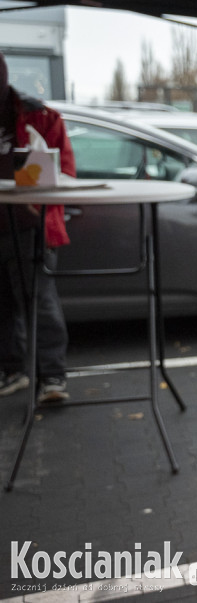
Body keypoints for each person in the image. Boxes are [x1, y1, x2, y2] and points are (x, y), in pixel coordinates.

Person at [0, 52, 77, 404]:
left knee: (39, 299)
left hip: (30, 224)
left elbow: (65, 172)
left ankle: (52, 377)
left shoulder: (38, 115)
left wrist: (34, 183)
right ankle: (12, 370)